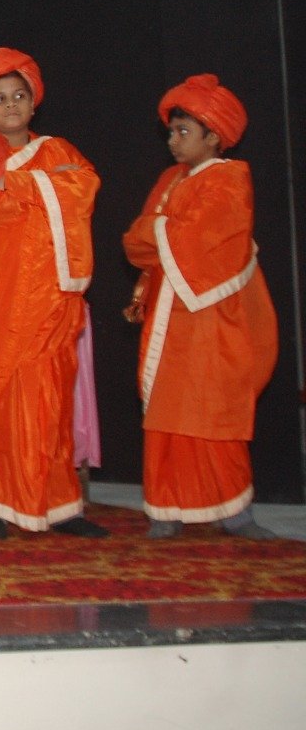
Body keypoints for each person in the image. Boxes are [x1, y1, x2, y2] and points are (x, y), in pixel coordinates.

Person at [0, 47, 109, 539]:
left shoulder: (60, 151)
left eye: (19, 96)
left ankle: (61, 506)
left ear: (34, 101)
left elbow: (85, 187)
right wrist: (40, 186)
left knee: (53, 400)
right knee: (1, 399)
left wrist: (15, 184)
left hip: (51, 300)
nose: (11, 105)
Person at [123, 75, 279, 540]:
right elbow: (135, 242)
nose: (173, 141)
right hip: (168, 315)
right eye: (171, 132)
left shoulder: (231, 179)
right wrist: (162, 230)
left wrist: (161, 229)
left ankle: (235, 512)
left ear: (213, 136)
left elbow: (201, 240)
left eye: (183, 131)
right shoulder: (169, 181)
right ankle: (166, 508)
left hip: (211, 316)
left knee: (212, 409)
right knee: (166, 410)